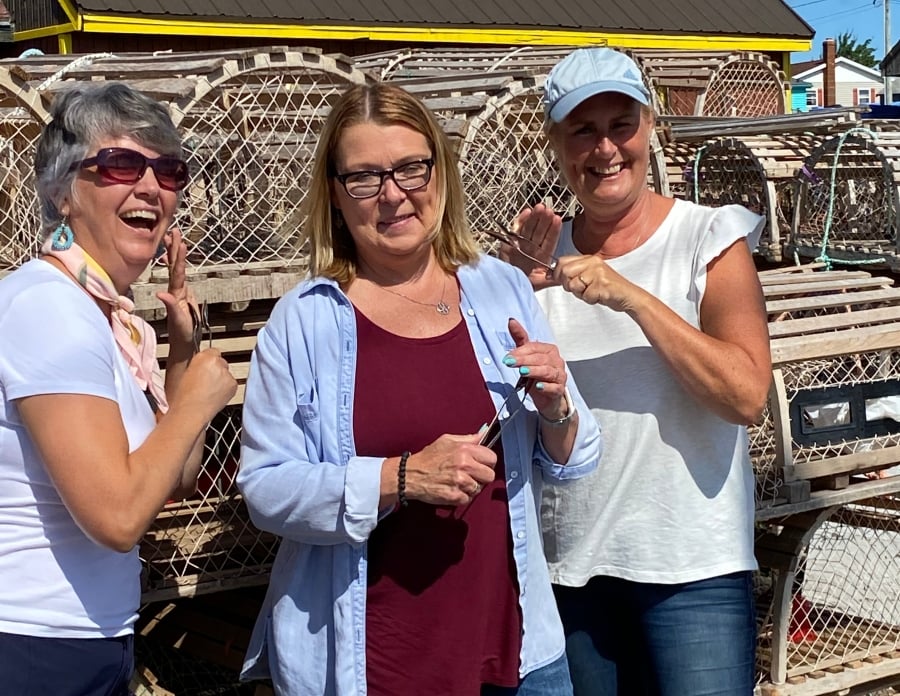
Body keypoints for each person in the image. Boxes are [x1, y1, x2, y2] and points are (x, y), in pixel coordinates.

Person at [237, 81, 602, 696]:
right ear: (334, 192)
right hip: (375, 661)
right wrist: (398, 477)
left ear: (440, 171)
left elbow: (575, 456)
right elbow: (265, 489)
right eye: (364, 176)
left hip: (516, 653)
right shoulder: (304, 320)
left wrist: (556, 406)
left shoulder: (499, 289)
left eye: (411, 167)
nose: (393, 194)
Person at [500, 48, 772, 695]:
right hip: (572, 570)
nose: (605, 149)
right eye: (582, 130)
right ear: (557, 144)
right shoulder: (540, 256)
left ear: (650, 128)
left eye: (621, 124)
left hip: (694, 570)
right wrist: (506, 286)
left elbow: (747, 395)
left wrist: (631, 296)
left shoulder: (709, 238)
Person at [0, 82, 236, 693]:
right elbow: (117, 515)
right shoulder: (50, 308)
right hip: (31, 643)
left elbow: (172, 479)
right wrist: (198, 399)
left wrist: (182, 352)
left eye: (168, 170)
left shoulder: (108, 316)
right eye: (120, 164)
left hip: (87, 636)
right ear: (63, 192)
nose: (151, 185)